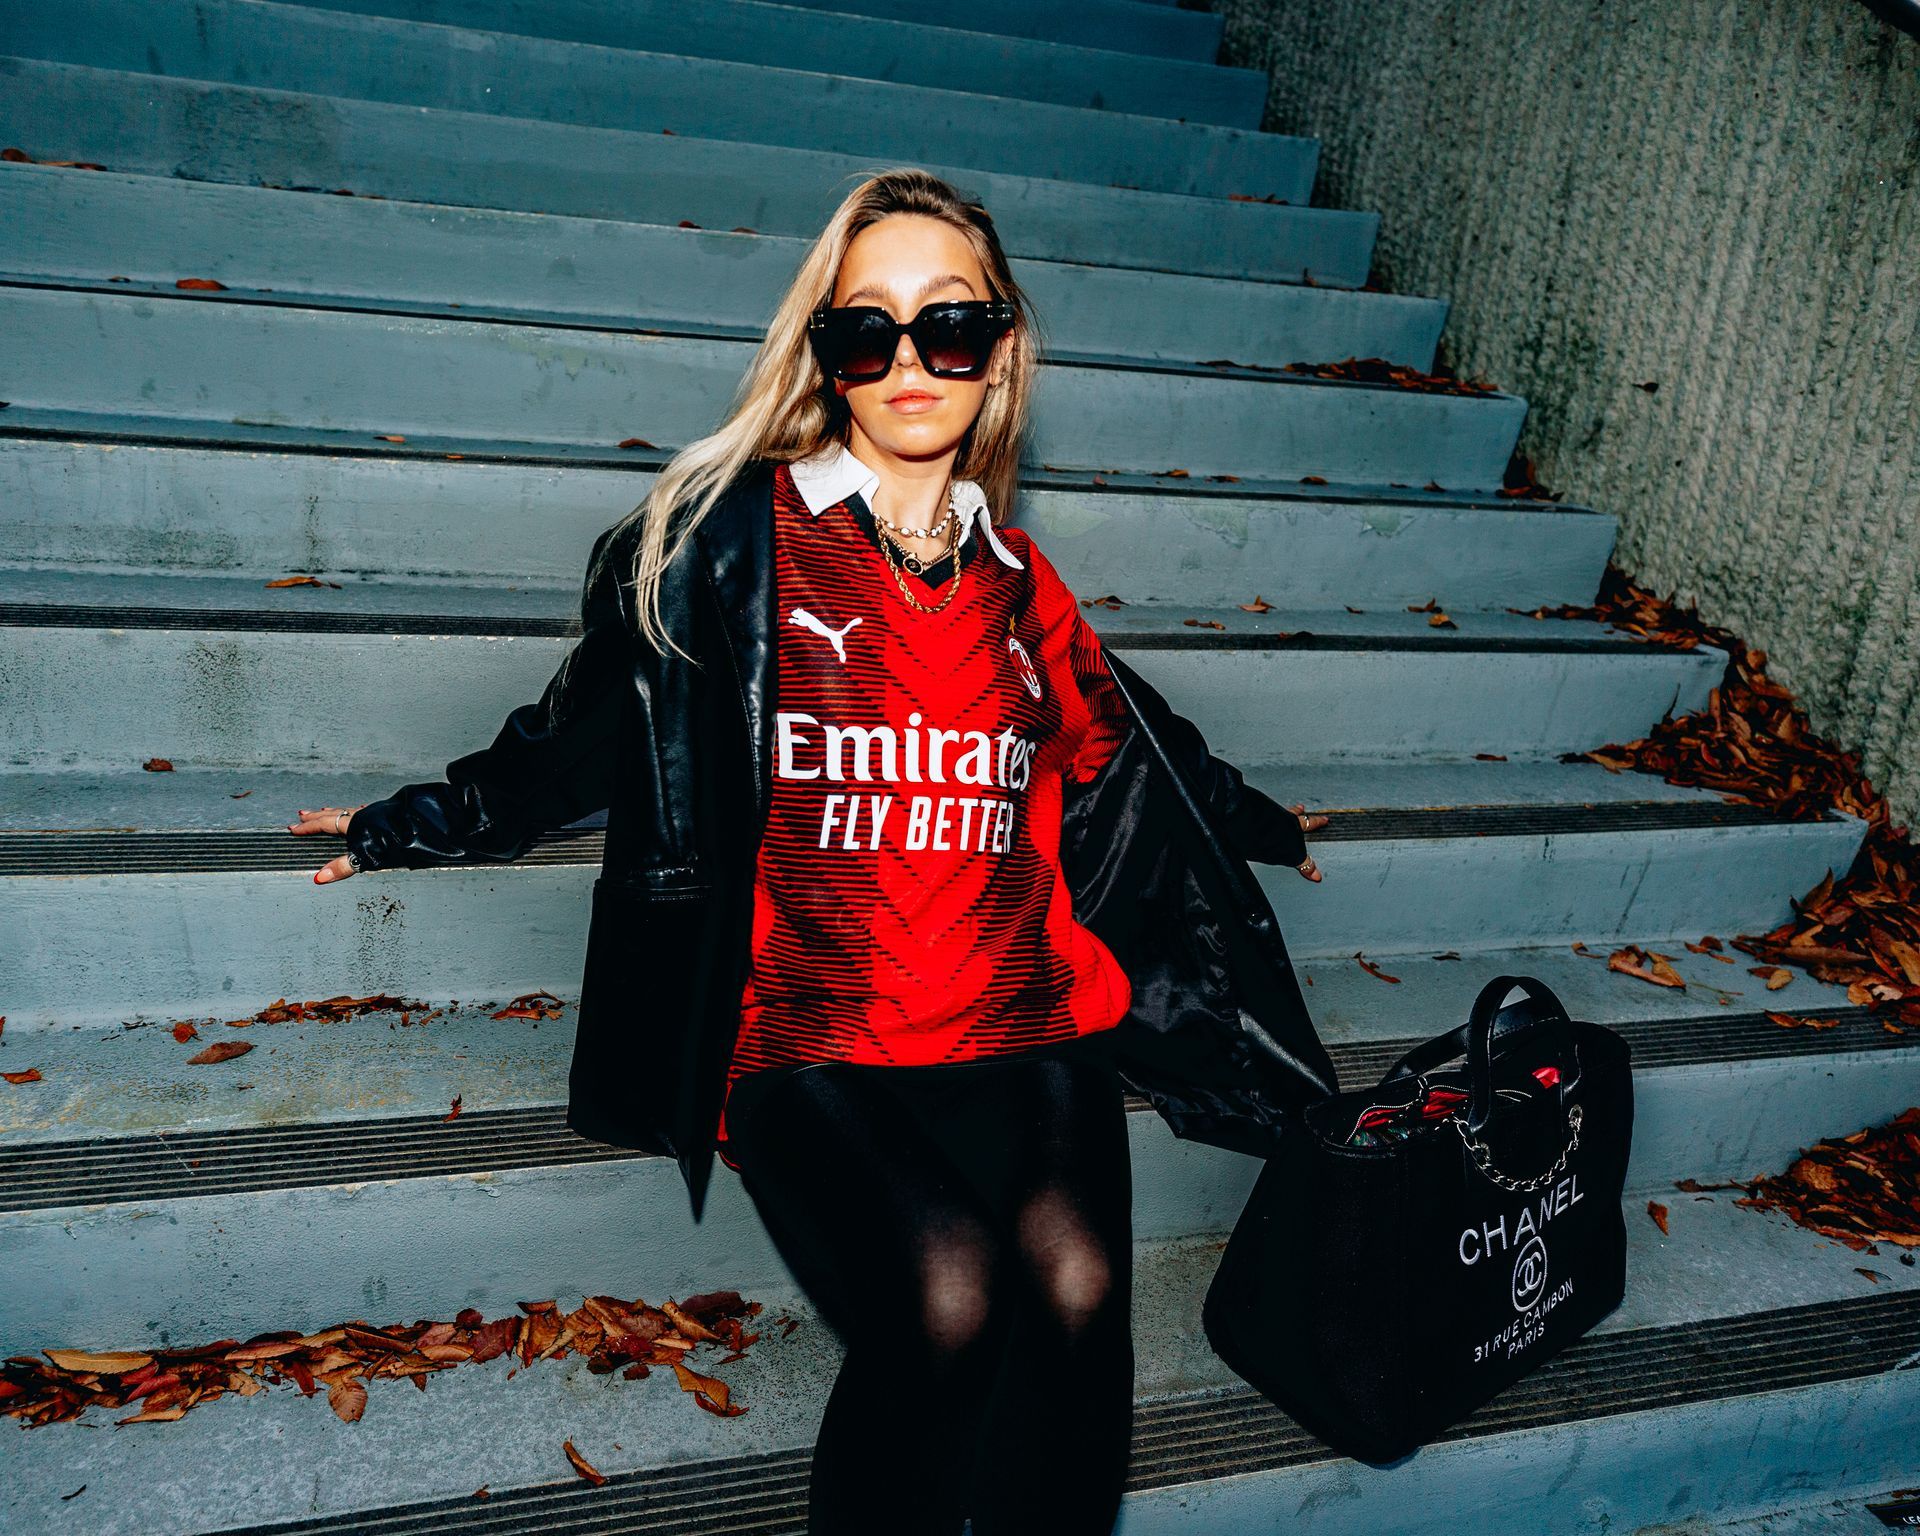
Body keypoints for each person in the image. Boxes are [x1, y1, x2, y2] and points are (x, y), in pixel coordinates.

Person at [291, 168, 1325, 1535]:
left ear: (1001, 348)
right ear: (826, 355)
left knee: (1077, 1301)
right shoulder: (733, 548)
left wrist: (1261, 821)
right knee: (951, 1298)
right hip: (812, 1030)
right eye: (866, 330)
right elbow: (588, 729)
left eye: (949, 325)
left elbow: (1131, 742)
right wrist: (416, 822)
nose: (910, 364)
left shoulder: (1021, 585)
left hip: (1015, 1013)